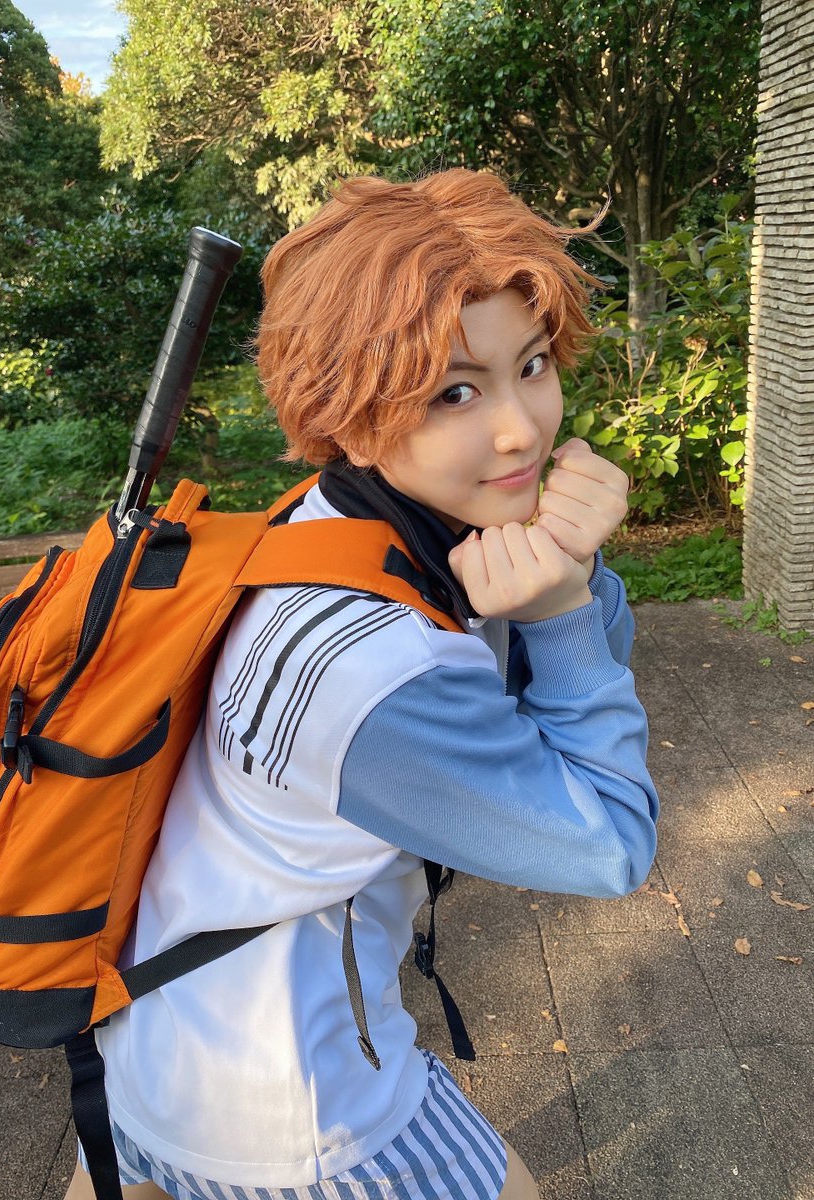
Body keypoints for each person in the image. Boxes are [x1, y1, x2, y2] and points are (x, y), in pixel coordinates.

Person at [65, 168, 658, 1200]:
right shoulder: (376, 665)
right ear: (348, 407)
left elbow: (569, 675)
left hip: (137, 1039)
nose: (522, 428)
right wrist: (562, 611)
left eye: (531, 364)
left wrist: (571, 573)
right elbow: (608, 844)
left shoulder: (322, 523)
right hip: (290, 1108)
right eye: (455, 392)